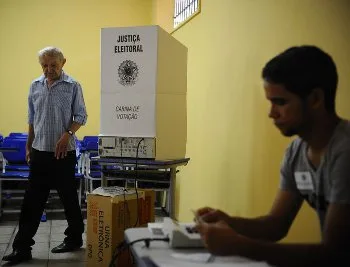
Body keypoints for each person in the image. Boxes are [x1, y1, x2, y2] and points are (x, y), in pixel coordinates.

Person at [195, 45, 350, 266]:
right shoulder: (296, 152)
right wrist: (229, 222)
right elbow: (275, 226)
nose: (271, 113)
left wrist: (240, 245)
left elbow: (336, 254)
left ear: (315, 99)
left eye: (280, 102)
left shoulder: (345, 152)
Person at [3, 47, 87, 264]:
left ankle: (74, 239)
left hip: (63, 153)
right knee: (32, 202)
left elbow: (81, 115)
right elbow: (32, 119)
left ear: (63, 62)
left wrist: (67, 134)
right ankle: (22, 248)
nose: (49, 70)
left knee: (69, 199)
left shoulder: (73, 86)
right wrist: (29, 147)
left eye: (54, 65)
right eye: (44, 65)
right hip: (40, 152)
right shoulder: (35, 86)